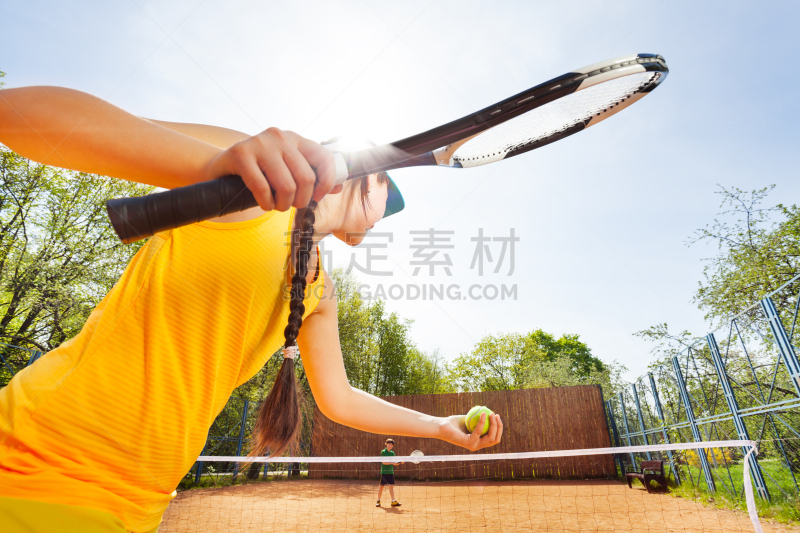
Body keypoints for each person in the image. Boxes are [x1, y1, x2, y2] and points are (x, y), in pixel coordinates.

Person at [0, 86, 503, 533]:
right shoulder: (245, 160)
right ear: (360, 175)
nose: (383, 218)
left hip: (138, 504)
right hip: (33, 466)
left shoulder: (318, 290)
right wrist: (211, 168)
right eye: (386, 197)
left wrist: (438, 427)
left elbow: (340, 398)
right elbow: (16, 114)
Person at [377, 438, 403, 508]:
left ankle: (393, 501)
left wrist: (399, 462)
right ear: (386, 444)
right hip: (384, 472)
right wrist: (392, 463)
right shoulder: (383, 452)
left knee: (391, 486)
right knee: (381, 486)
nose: (390, 446)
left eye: (391, 445)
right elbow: (384, 462)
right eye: (389, 444)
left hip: (391, 472)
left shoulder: (392, 453)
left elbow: (394, 463)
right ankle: (378, 501)